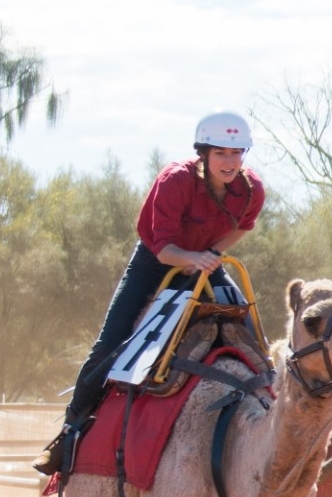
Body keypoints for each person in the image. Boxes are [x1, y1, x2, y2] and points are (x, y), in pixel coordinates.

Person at [34, 112, 264, 475]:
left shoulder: (251, 189)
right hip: (157, 263)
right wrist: (192, 258)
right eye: (221, 153)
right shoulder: (176, 181)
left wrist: (213, 255)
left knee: (251, 331)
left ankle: (274, 424)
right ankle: (69, 434)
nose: (230, 162)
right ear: (203, 153)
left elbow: (243, 226)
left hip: (205, 260)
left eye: (237, 153)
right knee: (110, 344)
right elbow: (162, 250)